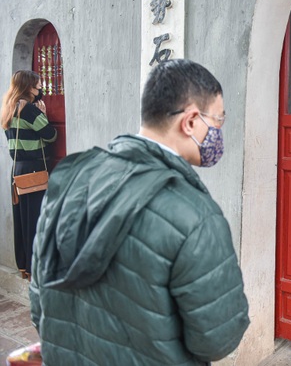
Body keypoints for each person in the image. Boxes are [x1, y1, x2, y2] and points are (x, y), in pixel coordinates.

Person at [29, 59, 250, 365]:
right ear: (190, 121)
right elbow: (217, 339)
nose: (218, 132)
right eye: (218, 121)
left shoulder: (69, 178)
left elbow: (40, 305)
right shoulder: (196, 216)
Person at [1, 70, 57, 281]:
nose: (41, 87)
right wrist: (42, 114)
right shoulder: (29, 111)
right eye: (37, 85)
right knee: (36, 220)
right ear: (28, 87)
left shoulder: (9, 107)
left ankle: (26, 267)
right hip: (34, 170)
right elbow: (51, 135)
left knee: (22, 220)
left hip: (17, 170)